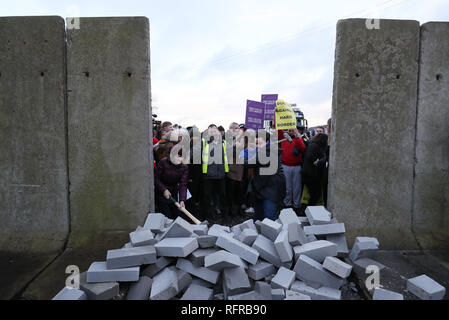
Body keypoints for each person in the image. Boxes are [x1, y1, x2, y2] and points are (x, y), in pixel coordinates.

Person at [241, 131, 286, 221]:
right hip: (261, 187)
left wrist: (243, 157)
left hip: (270, 189)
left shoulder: (268, 152)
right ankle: (257, 233)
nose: (256, 145)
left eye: (259, 143)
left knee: (269, 218)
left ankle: (274, 234)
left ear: (267, 141)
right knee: (258, 217)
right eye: (255, 143)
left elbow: (248, 163)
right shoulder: (264, 150)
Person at [201, 124, 230, 221]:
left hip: (221, 174)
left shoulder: (224, 143)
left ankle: (224, 215)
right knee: (207, 196)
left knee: (223, 195)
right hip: (208, 174)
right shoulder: (204, 142)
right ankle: (208, 216)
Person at [154, 142, 189, 219]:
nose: (180, 159)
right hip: (161, 193)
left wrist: (182, 200)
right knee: (167, 216)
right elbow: (156, 179)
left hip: (173, 194)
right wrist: (164, 190)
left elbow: (183, 184)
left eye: (182, 157)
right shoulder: (163, 162)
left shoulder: (184, 167)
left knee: (176, 216)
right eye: (178, 156)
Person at [278, 128, 306, 214]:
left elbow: (302, 148)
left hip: (296, 166)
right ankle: (287, 204)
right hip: (285, 166)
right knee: (287, 187)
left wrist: (297, 136)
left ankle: (296, 205)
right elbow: (278, 128)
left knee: (297, 187)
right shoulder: (283, 138)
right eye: (289, 130)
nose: (290, 132)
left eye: (292, 130)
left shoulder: (298, 139)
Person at [302, 133, 328, 206]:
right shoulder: (315, 146)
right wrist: (317, 161)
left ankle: (310, 209)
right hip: (310, 175)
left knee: (314, 194)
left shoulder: (313, 145)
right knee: (315, 194)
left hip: (309, 174)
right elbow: (310, 156)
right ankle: (309, 210)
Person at [226, 122, 245, 218]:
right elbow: (229, 151)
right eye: (236, 128)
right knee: (230, 192)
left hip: (240, 169)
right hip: (231, 169)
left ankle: (238, 209)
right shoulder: (227, 138)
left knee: (239, 191)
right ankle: (230, 210)